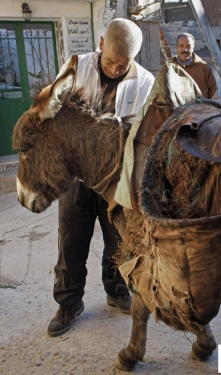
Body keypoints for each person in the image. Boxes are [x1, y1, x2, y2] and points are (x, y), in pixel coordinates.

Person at [47, 18, 155, 337]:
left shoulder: (144, 80)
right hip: (76, 177)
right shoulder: (76, 67)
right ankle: (69, 303)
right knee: (71, 242)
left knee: (118, 240)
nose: (117, 69)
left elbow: (142, 133)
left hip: (115, 179)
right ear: (100, 43)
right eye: (111, 62)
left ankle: (118, 290)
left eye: (124, 65)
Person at [172, 33, 218, 99]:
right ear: (177, 47)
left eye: (188, 46)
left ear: (193, 47)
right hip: (177, 108)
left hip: (199, 108)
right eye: (181, 46)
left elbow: (213, 92)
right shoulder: (169, 67)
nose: (185, 49)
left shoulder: (204, 67)